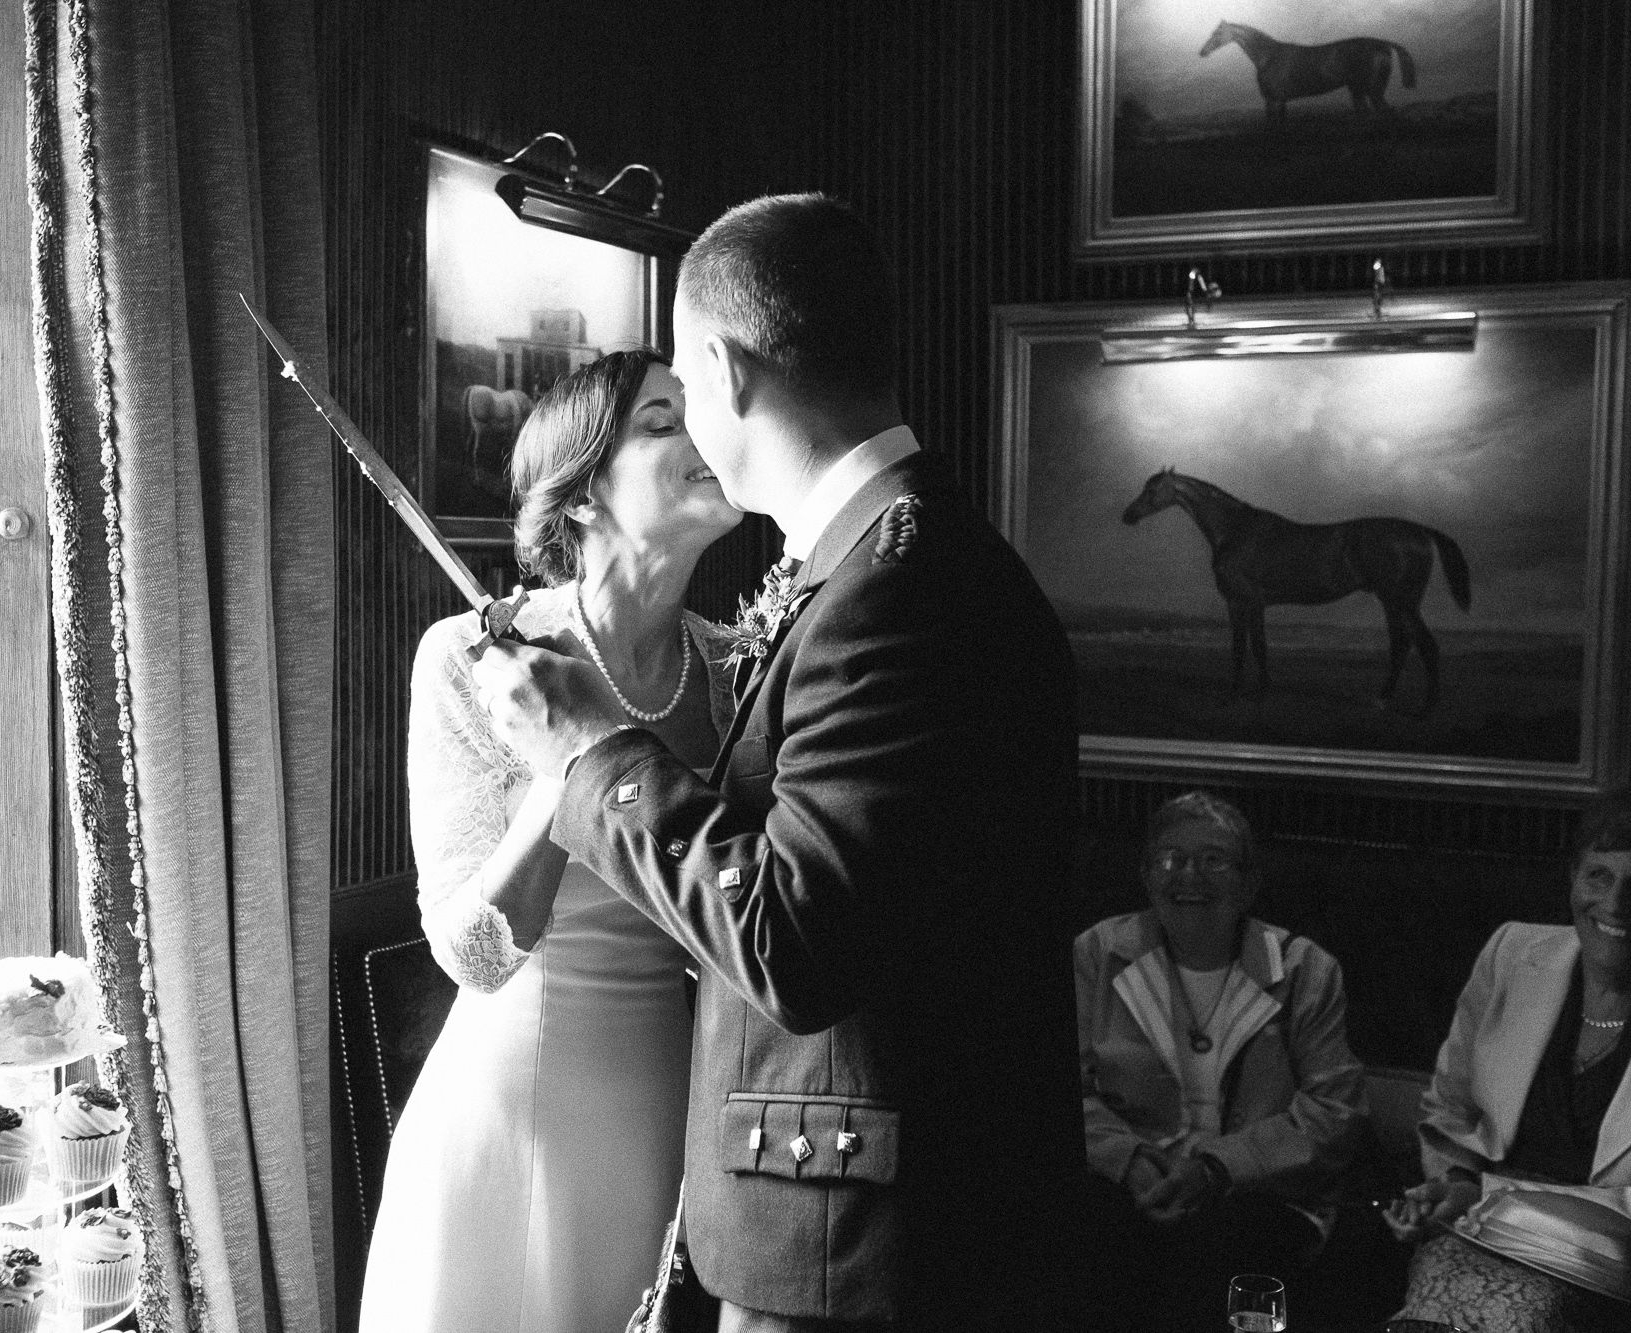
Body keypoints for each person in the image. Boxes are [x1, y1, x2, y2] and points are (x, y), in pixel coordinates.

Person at [471, 193, 1084, 1330]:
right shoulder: (900, 558)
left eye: (682, 391)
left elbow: (796, 938)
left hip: (858, 1252)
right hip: (864, 1215)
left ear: (721, 367)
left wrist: (588, 754)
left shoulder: (888, 592)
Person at [359, 349, 743, 1333]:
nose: (703, 436)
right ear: (580, 500)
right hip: (516, 1104)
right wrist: (559, 762)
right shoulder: (469, 657)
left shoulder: (734, 673)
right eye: (663, 424)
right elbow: (472, 955)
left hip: (677, 1109)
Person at [1076, 790, 1367, 1333]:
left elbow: (1336, 1111)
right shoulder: (1098, 952)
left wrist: (1217, 1167)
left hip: (1261, 1194)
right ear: (1145, 875)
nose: (1189, 876)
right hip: (1131, 1182)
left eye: (1214, 860)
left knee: (1215, 1254)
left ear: (1250, 882)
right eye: (1170, 859)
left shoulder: (1306, 969)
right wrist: (1129, 1158)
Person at [1384, 788, 1631, 1333]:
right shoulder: (1513, 953)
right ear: (1572, 878)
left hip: (1606, 1273)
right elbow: (1448, 1108)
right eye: (1599, 876)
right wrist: (1448, 1184)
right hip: (1477, 1235)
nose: (1617, 905)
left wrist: (1488, 1194)